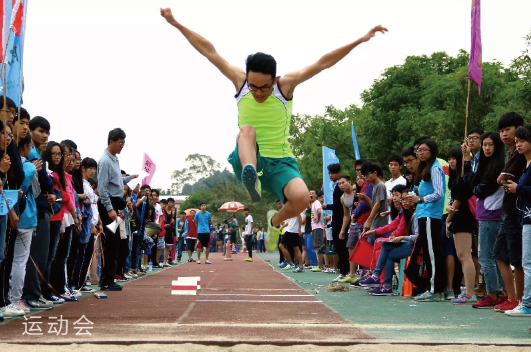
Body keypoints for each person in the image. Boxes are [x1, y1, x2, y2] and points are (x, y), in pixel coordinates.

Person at [160, 8, 386, 234]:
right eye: (253, 86)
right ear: (246, 78)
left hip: (281, 161)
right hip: (250, 155)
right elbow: (209, 52)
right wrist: (176, 23)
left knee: (301, 199)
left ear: (274, 80)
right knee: (247, 130)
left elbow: (322, 63)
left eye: (264, 87)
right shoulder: (239, 81)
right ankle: (252, 176)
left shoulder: (285, 86)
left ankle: (275, 221)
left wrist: (360, 40)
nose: (258, 93)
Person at [97, 128, 137, 291]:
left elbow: (115, 181)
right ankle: (107, 280)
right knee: (112, 243)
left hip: (116, 203)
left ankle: (108, 278)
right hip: (109, 205)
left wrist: (128, 179)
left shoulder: (114, 159)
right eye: (120, 142)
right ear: (111, 141)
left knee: (116, 244)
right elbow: (102, 187)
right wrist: (109, 209)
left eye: (124, 143)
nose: (122, 146)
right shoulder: (105, 161)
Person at [22, 116, 55, 310]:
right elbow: (47, 182)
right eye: (41, 131)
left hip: (41, 210)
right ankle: (31, 294)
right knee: (35, 255)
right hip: (33, 210)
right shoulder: (32, 154)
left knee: (42, 256)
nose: (45, 136)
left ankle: (36, 293)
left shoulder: (37, 154)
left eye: (47, 132)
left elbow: (49, 185)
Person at [494, 112, 526, 313]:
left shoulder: (521, 153)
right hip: (507, 210)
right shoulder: (511, 153)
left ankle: (520, 299)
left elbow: (501, 178)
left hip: (517, 211)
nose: (504, 134)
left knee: (517, 258)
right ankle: (512, 296)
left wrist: (503, 179)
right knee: (499, 253)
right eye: (501, 131)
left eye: (508, 129)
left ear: (519, 130)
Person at [470, 132, 506, 309]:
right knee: (495, 257)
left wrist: (476, 187)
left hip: (491, 215)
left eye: (490, 144)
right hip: (486, 214)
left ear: (497, 146)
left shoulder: (499, 165)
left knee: (486, 256)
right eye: (484, 144)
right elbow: (474, 185)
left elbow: (481, 190)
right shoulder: (487, 164)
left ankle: (492, 293)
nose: (486, 148)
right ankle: (503, 292)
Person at [408, 139, 447, 302]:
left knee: (432, 253)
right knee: (429, 252)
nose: (420, 153)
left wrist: (421, 199)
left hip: (431, 215)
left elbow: (440, 192)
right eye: (418, 151)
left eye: (424, 150)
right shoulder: (425, 169)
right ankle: (433, 287)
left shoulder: (436, 168)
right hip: (424, 214)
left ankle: (435, 289)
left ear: (432, 151)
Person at [359, 188, 418, 295]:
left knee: (384, 247)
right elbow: (392, 226)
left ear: (413, 199)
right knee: (382, 245)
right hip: (406, 241)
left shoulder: (416, 214)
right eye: (402, 199)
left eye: (406, 199)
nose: (403, 201)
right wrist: (374, 232)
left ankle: (381, 281)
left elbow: (417, 236)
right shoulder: (403, 212)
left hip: (414, 245)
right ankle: (377, 278)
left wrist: (402, 238)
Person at [503, 125, 531, 316]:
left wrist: (518, 189)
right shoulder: (525, 164)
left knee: (527, 262)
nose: (518, 144)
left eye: (522, 140)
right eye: (518, 141)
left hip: (530, 217)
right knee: (526, 260)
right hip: (525, 216)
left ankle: (527, 303)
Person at [446, 147, 477, 304]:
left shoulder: (464, 178)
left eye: (454, 158)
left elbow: (458, 200)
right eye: (449, 158)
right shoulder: (455, 177)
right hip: (458, 218)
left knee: (465, 256)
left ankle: (470, 292)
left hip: (463, 217)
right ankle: (469, 291)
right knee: (462, 255)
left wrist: (448, 219)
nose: (451, 161)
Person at [322, 163, 349, 282]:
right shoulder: (336, 186)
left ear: (339, 173)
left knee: (341, 246)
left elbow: (339, 206)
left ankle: (344, 272)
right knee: (339, 246)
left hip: (341, 220)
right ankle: (343, 271)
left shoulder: (340, 188)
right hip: (337, 219)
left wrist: (327, 206)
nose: (330, 175)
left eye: (333, 173)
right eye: (329, 173)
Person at [385, 155, 407, 220]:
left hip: (399, 214)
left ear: (400, 166)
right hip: (388, 215)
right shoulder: (387, 183)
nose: (393, 167)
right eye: (391, 164)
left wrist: (391, 199)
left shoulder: (403, 181)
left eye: (395, 165)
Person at [310, 191, 325, 272]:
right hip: (315, 228)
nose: (311, 195)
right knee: (317, 247)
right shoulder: (313, 204)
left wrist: (318, 220)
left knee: (318, 247)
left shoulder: (316, 203)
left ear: (316, 196)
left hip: (318, 227)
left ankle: (320, 266)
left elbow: (319, 211)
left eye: (313, 193)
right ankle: (321, 265)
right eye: (310, 193)